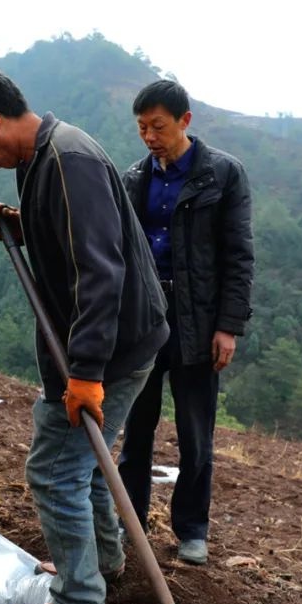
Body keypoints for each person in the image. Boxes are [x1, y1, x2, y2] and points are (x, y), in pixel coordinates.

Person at [0, 68, 168, 604]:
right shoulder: (42, 160)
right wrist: (21, 223)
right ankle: (101, 566)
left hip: (110, 346)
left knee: (54, 469)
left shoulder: (67, 160)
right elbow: (76, 233)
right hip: (121, 338)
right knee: (85, 462)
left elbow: (99, 270)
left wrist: (85, 372)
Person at [116, 80, 254, 566]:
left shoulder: (223, 175)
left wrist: (229, 326)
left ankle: (192, 529)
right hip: (144, 319)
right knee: (137, 430)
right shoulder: (135, 179)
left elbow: (239, 256)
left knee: (196, 435)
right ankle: (128, 519)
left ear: (185, 121)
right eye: (141, 128)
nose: (149, 136)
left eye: (158, 126)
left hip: (198, 321)